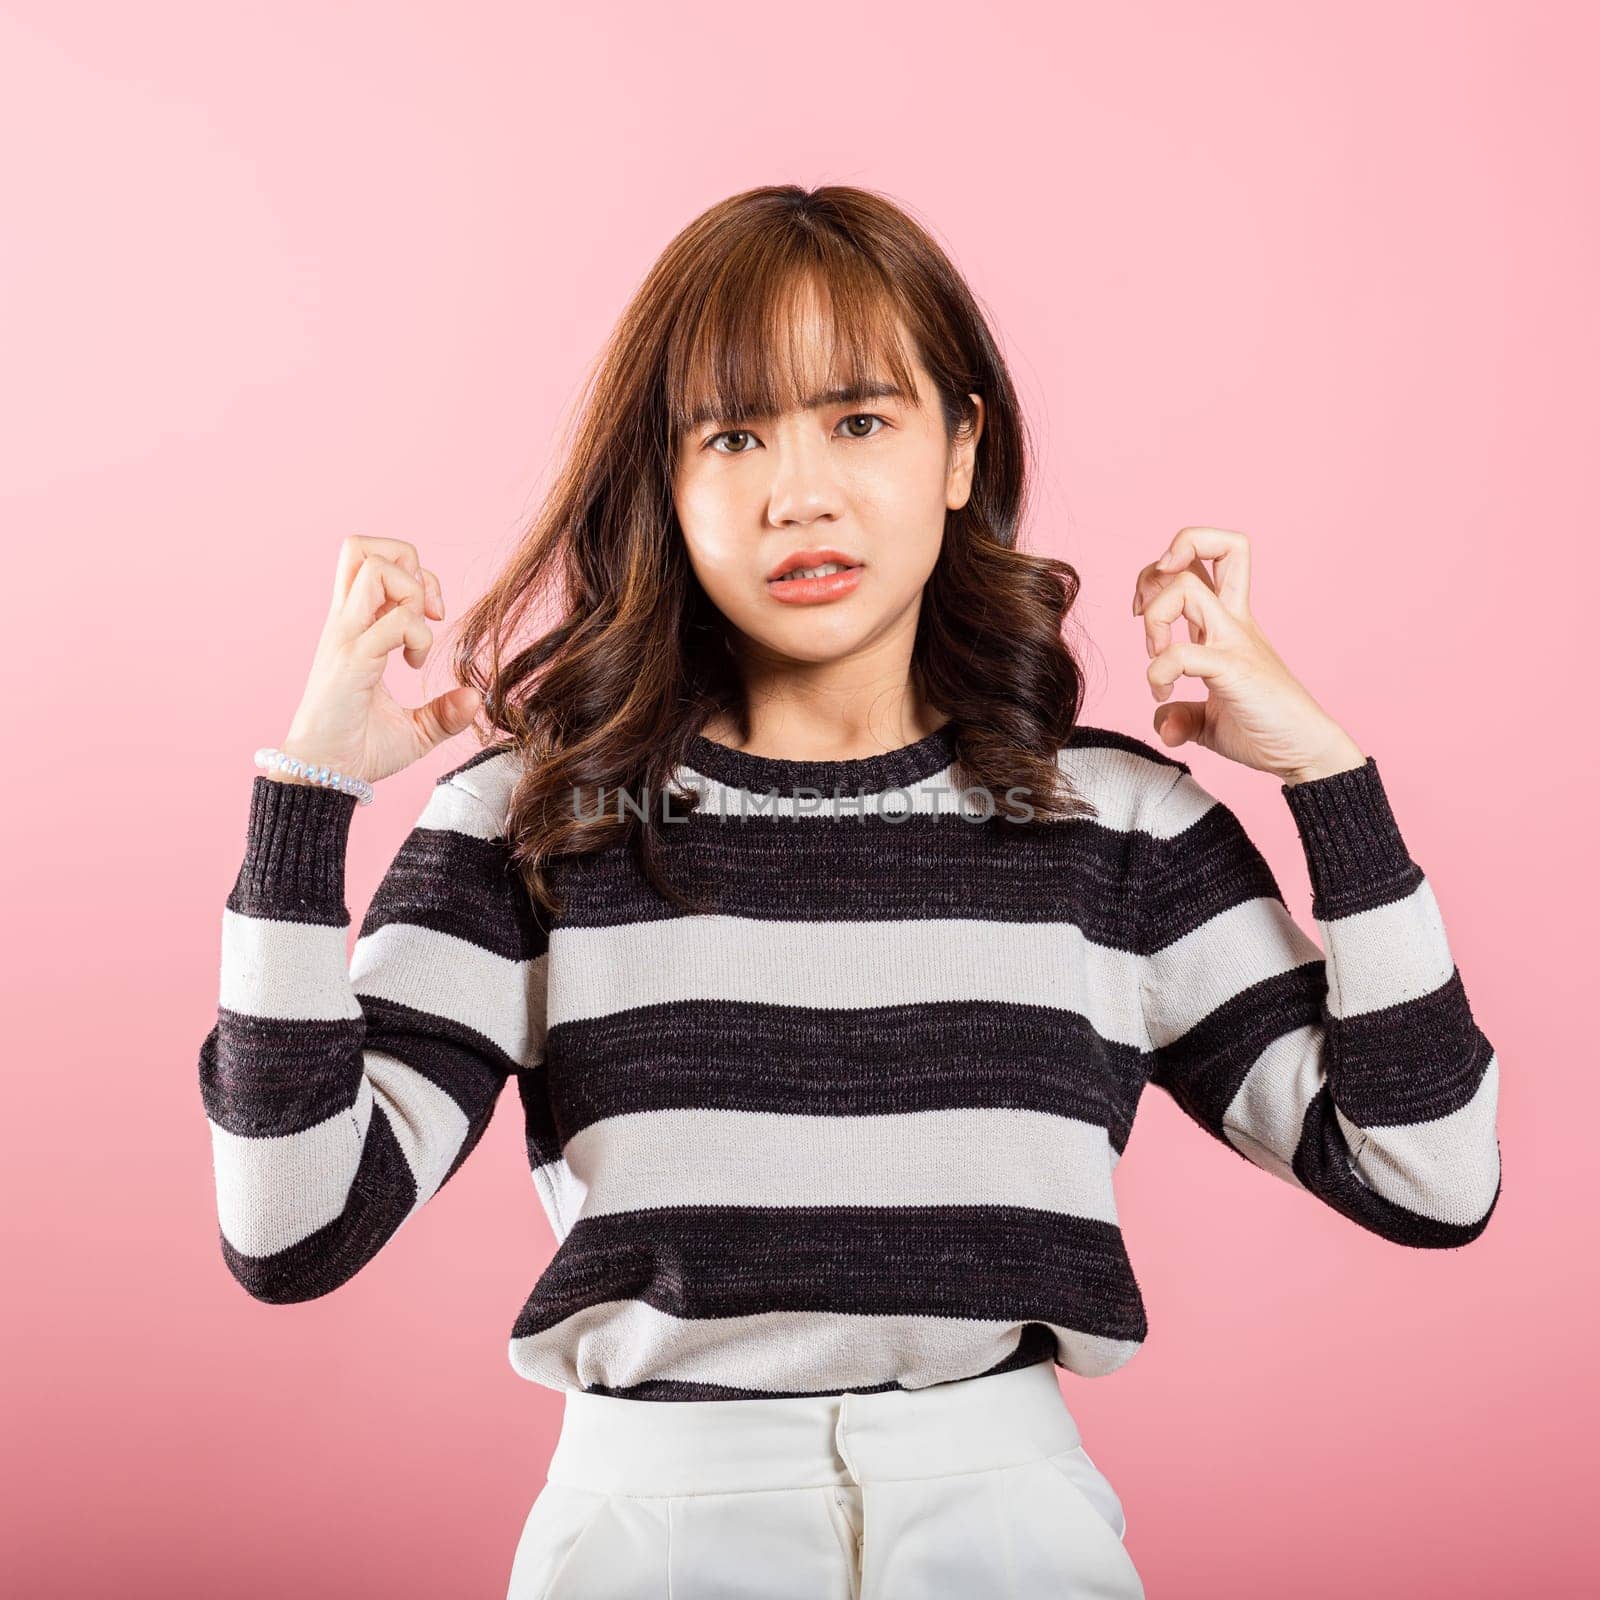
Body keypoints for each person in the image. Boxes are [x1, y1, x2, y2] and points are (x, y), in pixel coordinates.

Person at [197, 184, 1502, 1600]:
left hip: (1015, 1533)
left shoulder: (1114, 826)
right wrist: (307, 804)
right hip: (652, 1539)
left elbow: (1427, 1177)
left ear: (961, 446)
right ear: (670, 484)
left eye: (860, 421)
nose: (799, 490)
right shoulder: (541, 822)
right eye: (735, 434)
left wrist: (1330, 779)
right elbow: (292, 1229)